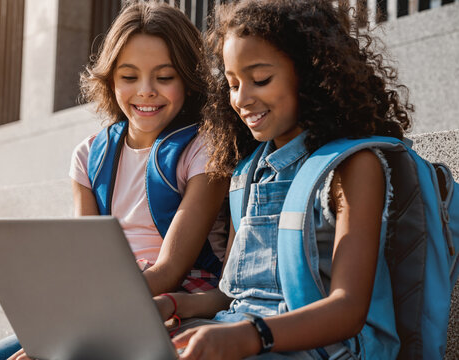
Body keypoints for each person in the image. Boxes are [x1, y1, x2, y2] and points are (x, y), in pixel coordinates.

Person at [0, 2, 229, 360]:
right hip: (102, 301)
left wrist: (82, 318)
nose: (146, 91)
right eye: (129, 76)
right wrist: (61, 320)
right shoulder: (88, 156)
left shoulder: (204, 148)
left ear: (188, 78)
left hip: (174, 303)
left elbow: (169, 270)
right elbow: (85, 258)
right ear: (110, 79)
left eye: (164, 77)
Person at [154, 0, 413, 359]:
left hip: (324, 349)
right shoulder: (246, 173)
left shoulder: (354, 167)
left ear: (311, 74)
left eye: (260, 79)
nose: (242, 98)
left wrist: (248, 336)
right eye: (231, 84)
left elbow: (348, 310)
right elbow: (233, 294)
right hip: (241, 331)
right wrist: (173, 304)